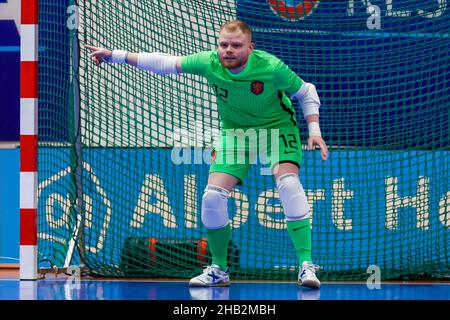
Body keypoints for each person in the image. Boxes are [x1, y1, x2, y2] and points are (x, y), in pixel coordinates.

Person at [86, 19, 328, 289]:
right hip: (235, 133)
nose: (228, 50)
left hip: (277, 129)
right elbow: (166, 63)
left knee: (289, 185)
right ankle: (219, 270)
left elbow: (306, 92)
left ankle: (306, 266)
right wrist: (115, 56)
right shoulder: (209, 63)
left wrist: (314, 129)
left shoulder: (271, 67)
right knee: (212, 198)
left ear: (250, 47)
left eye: (236, 45)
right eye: (223, 44)